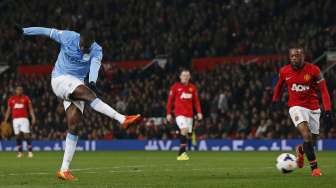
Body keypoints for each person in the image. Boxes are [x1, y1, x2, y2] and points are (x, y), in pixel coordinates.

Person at [16, 26, 141, 180]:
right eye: (81, 44)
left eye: (85, 46)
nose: (82, 48)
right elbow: (46, 31)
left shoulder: (97, 50)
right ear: (79, 38)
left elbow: (95, 66)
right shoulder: (68, 37)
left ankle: (64, 170)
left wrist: (93, 81)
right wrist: (24, 31)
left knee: (74, 126)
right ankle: (122, 119)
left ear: (91, 43)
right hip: (60, 79)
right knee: (89, 94)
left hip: (77, 83)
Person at [272, 47, 332, 176]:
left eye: (297, 56)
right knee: (306, 134)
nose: (294, 58)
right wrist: (274, 101)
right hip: (296, 106)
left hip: (313, 107)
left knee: (313, 140)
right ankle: (315, 169)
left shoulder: (314, 70)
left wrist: (327, 109)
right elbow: (278, 87)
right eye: (292, 56)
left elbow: (324, 91)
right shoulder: (284, 71)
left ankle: (300, 149)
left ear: (303, 56)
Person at [166, 70, 202, 160]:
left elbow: (196, 102)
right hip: (179, 114)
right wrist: (168, 113)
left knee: (187, 134)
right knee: (184, 129)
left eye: (187, 75)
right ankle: (182, 153)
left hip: (190, 115)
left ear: (189, 77)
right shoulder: (175, 87)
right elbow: (170, 101)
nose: (185, 77)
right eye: (183, 75)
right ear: (180, 77)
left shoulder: (193, 88)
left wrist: (199, 112)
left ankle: (181, 153)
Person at [2, 86, 36, 158]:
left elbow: (30, 109)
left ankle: (30, 151)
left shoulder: (26, 98)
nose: (19, 91)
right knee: (17, 136)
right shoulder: (12, 99)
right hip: (15, 120)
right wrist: (5, 120)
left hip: (24, 119)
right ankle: (20, 152)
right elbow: (8, 111)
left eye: (21, 90)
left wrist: (33, 117)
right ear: (15, 91)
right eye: (18, 90)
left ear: (22, 91)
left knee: (26, 134)